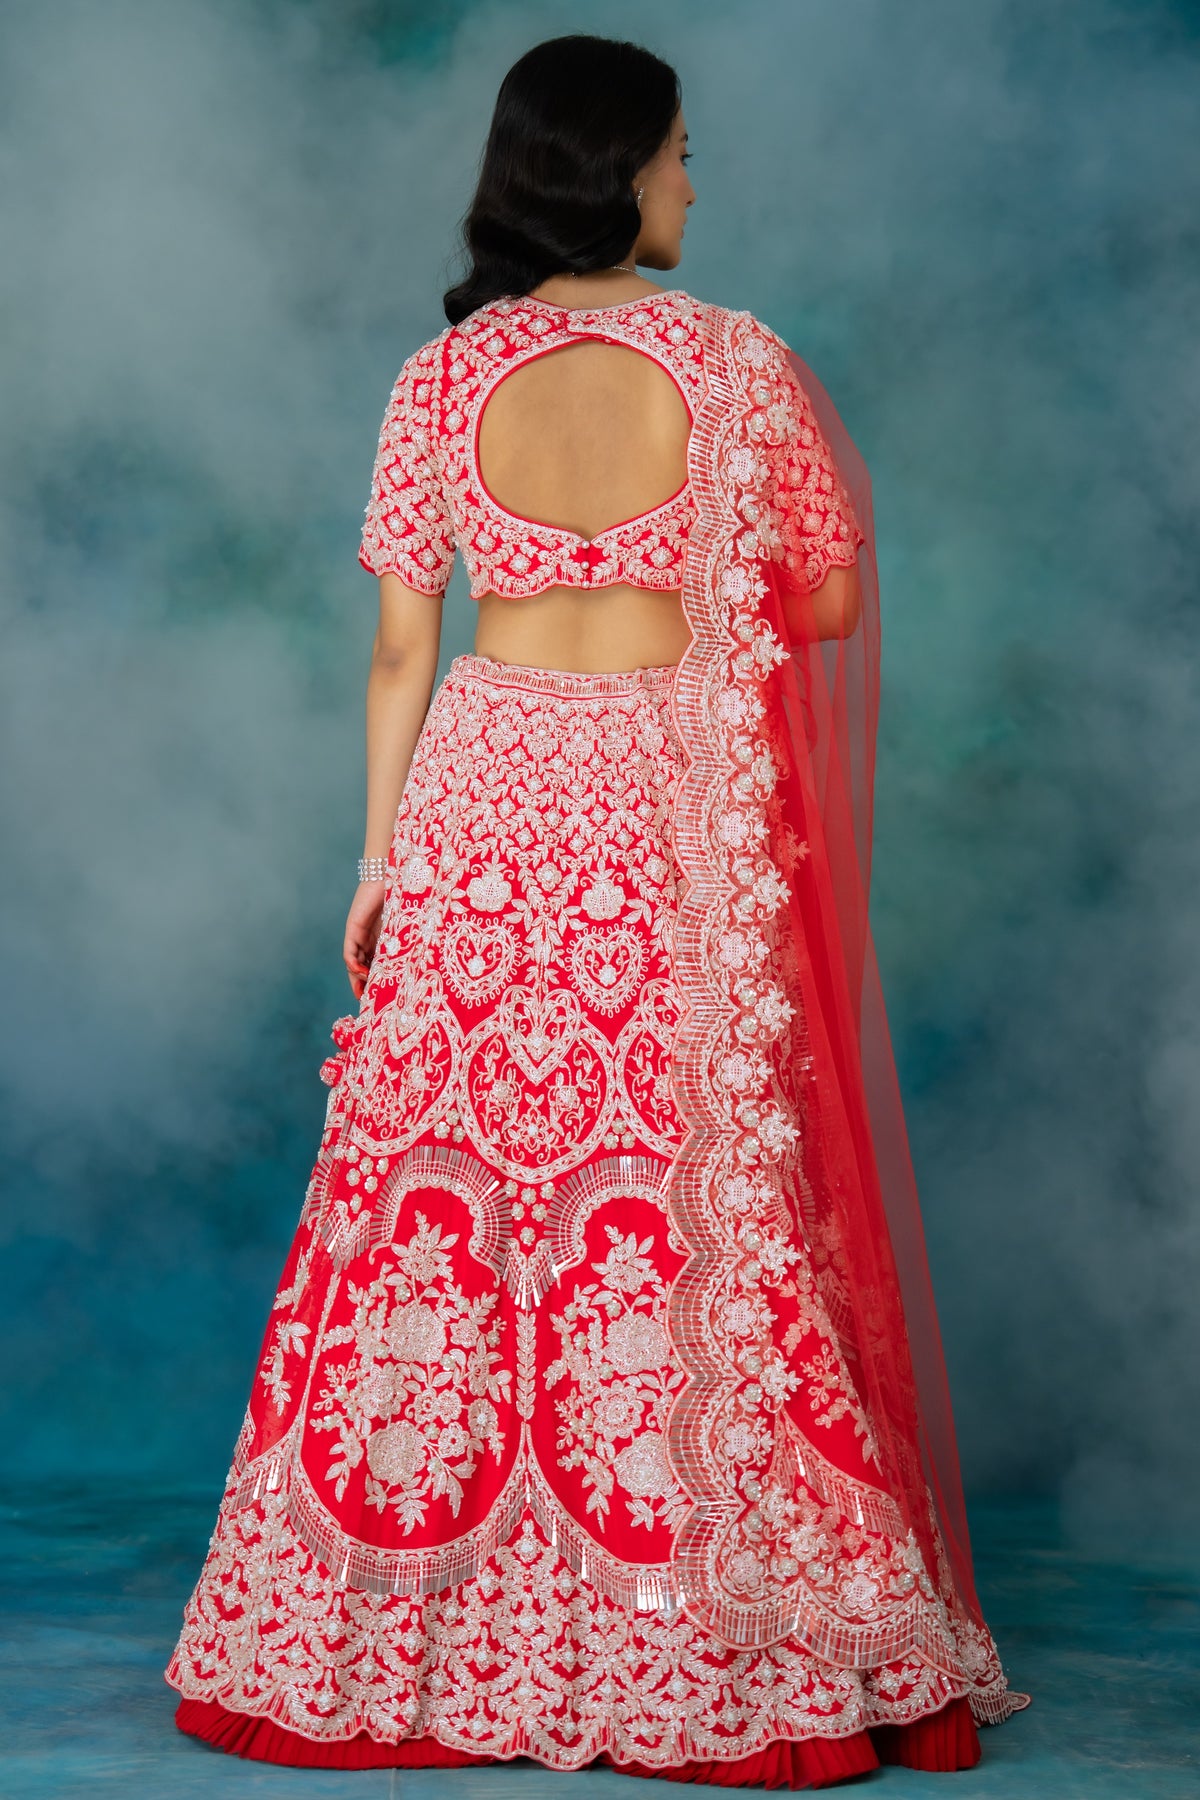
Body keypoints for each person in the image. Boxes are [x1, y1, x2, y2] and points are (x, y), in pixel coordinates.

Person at [167, 32, 1029, 1787]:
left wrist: (378, 868)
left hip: (484, 794)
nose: (695, 183)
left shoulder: (441, 378)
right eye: (682, 153)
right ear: (621, 169)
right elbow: (832, 603)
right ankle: (697, 1606)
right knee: (687, 1179)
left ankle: (407, 1614)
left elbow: (399, 649)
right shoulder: (737, 363)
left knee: (451, 1173)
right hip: (658, 798)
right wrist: (699, 566)